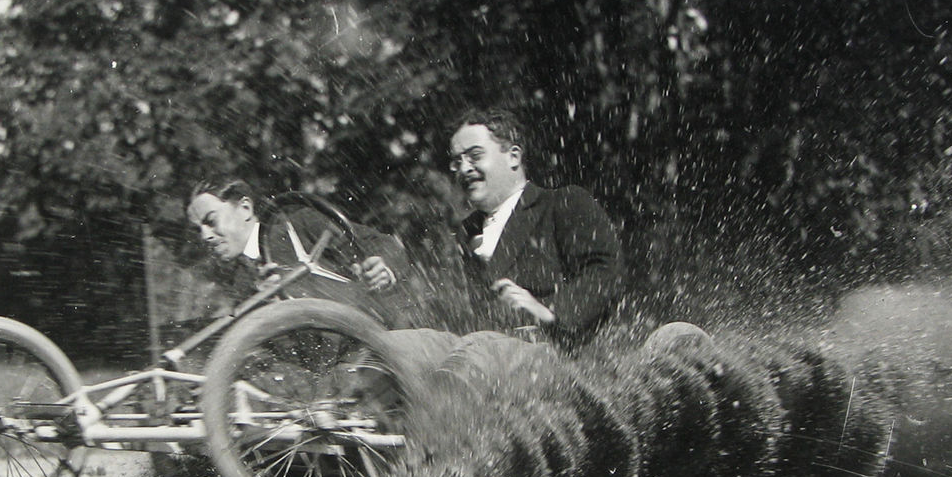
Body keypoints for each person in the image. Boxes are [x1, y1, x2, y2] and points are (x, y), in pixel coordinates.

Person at [447, 108, 626, 351]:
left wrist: (549, 311)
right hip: (487, 364)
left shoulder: (563, 203)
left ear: (513, 156)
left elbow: (606, 273)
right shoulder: (465, 232)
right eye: (457, 162)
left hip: (564, 362)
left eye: (475, 155)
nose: (464, 168)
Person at [185, 179, 411, 325]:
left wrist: (383, 268)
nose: (205, 236)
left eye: (211, 221)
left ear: (245, 208)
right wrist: (266, 305)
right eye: (198, 230)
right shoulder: (242, 285)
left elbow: (382, 244)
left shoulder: (299, 224)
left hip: (383, 337)